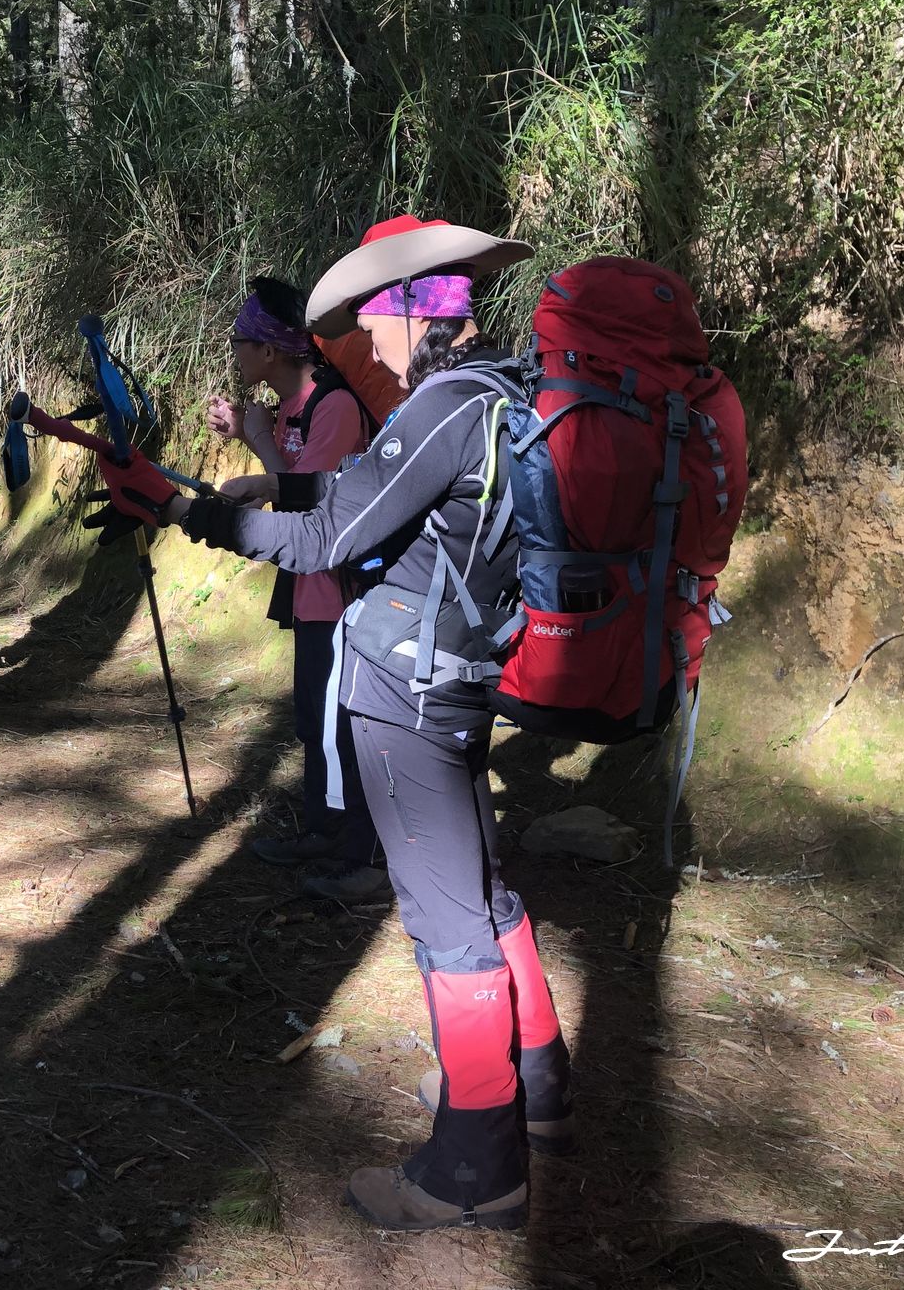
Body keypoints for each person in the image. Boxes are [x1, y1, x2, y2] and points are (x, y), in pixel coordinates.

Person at [91, 221, 574, 1233]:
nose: (360, 339)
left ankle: (474, 1167)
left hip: (405, 691)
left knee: (445, 922)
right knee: (480, 889)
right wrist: (232, 491)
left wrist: (191, 514)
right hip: (463, 666)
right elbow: (365, 502)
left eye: (368, 318)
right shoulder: (502, 392)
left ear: (408, 310)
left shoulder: (437, 404)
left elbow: (321, 536)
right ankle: (538, 1086)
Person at [205, 277, 384, 901]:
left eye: (241, 341)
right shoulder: (291, 408)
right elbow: (294, 487)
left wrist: (256, 451)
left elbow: (315, 508)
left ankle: (353, 848)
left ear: (271, 352)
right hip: (310, 586)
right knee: (313, 716)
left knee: (338, 720)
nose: (235, 352)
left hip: (341, 590)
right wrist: (254, 435)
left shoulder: (332, 407)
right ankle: (323, 829)